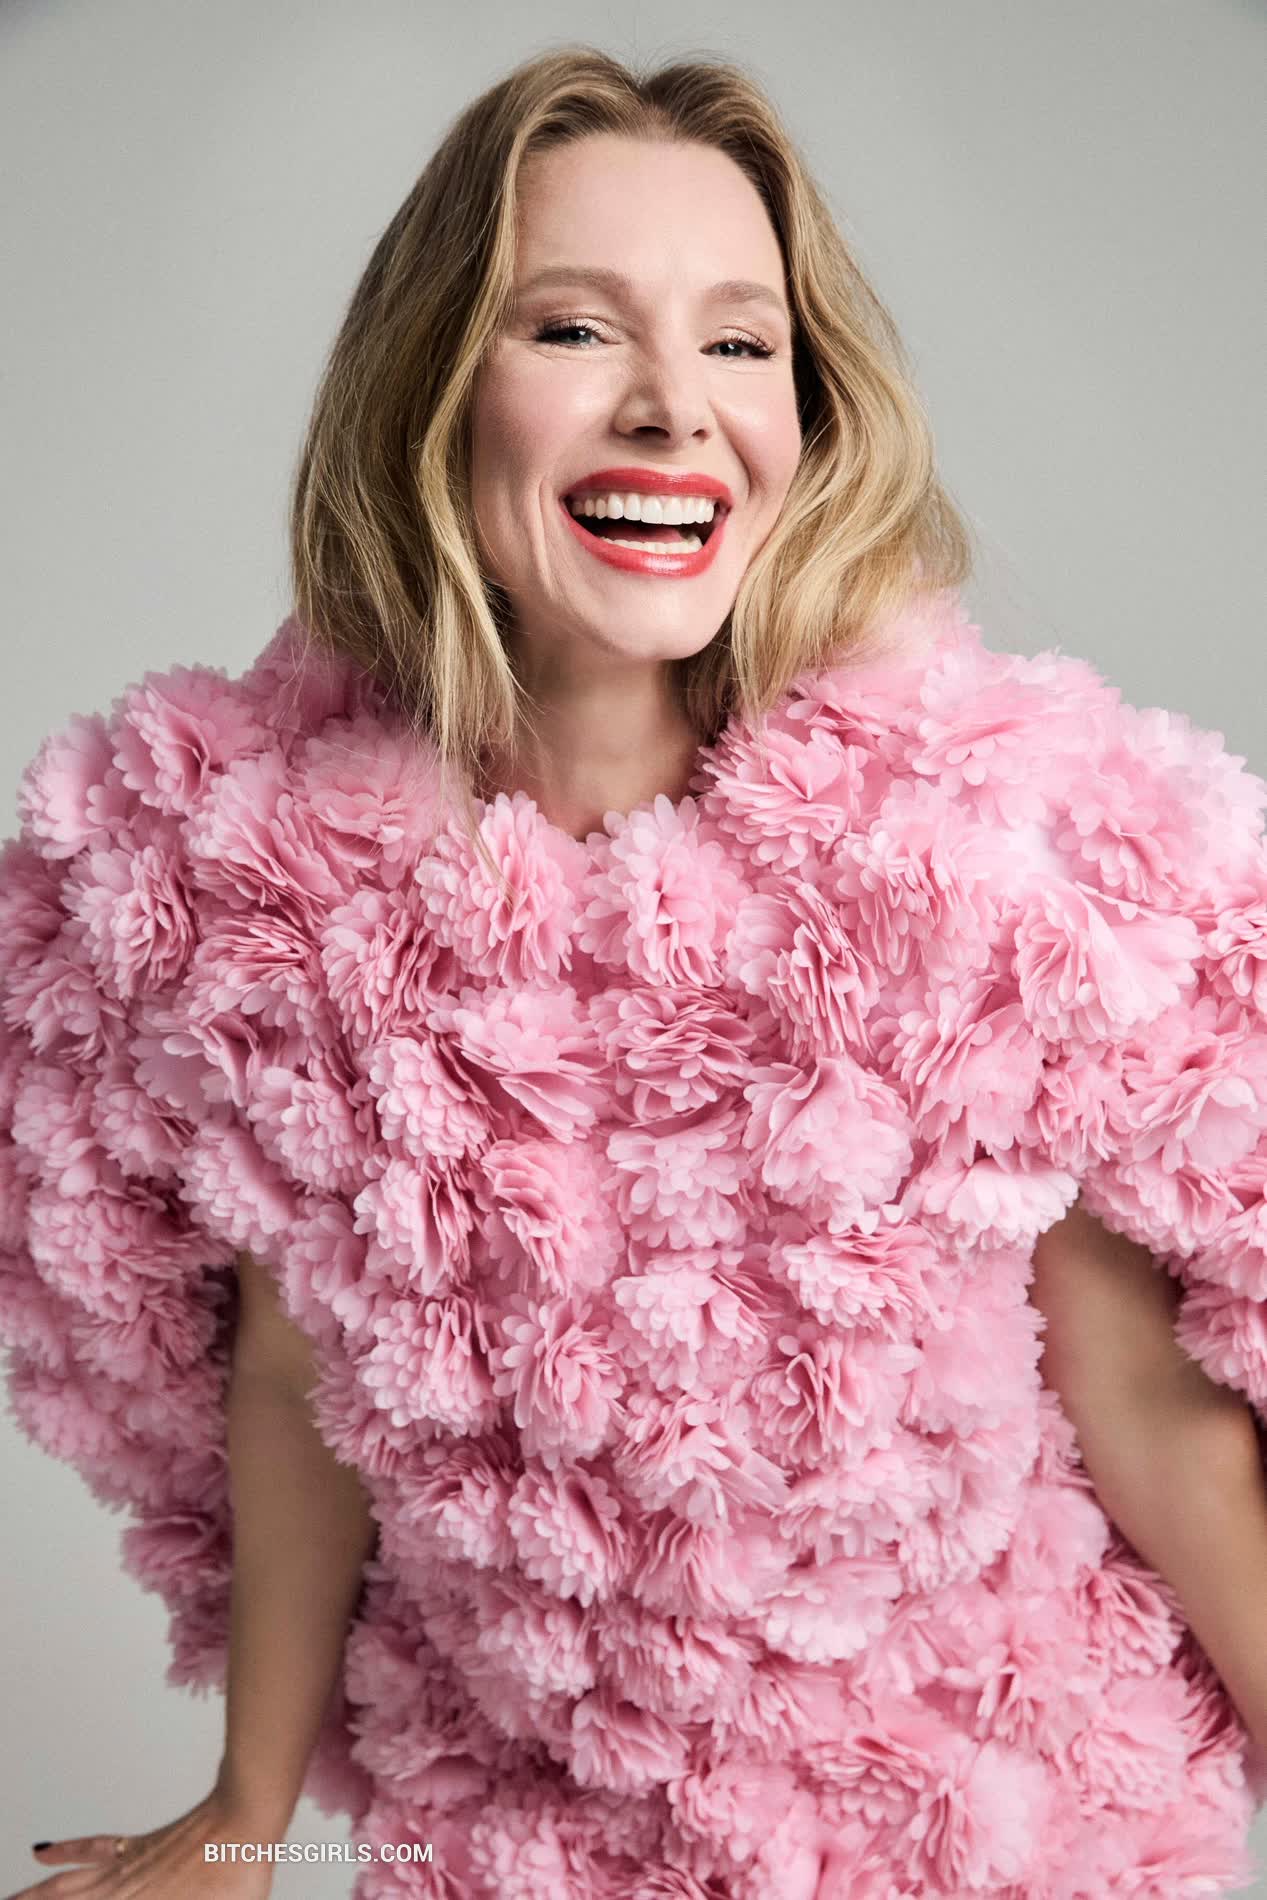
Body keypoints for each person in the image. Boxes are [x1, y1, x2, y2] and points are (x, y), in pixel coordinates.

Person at [2, 42, 1266, 1900]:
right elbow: (295, 1378)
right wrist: (245, 1816)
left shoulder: (952, 885)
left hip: (981, 1850)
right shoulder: (290, 912)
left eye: (742, 342)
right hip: (533, 1850)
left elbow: (1157, 1424)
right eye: (577, 329)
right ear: (440, 383)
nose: (677, 408)